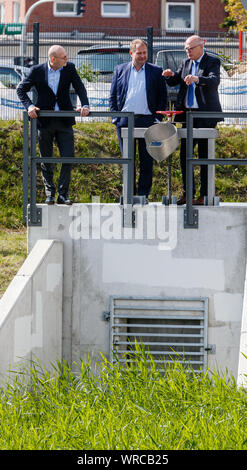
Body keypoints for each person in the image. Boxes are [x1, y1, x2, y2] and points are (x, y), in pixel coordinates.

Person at [17, 44, 90, 205]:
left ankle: (63, 194)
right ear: (53, 59)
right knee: (45, 158)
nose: (67, 59)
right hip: (44, 121)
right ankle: (49, 193)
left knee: (68, 157)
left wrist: (85, 104)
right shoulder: (37, 70)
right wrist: (29, 106)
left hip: (64, 120)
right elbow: (21, 89)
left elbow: (79, 86)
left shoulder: (69, 68)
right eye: (64, 57)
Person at [162, 35, 222, 205]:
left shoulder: (212, 62)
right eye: (186, 49)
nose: (188, 52)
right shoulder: (185, 63)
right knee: (185, 156)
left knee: (204, 156)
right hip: (187, 116)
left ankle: (204, 195)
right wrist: (169, 75)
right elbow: (177, 81)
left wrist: (197, 79)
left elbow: (214, 81)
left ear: (201, 45)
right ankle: (188, 193)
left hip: (205, 116)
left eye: (190, 48)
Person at [109, 39, 167, 200]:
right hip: (125, 121)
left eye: (144, 53)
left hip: (148, 121)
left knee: (146, 160)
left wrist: (157, 118)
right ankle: (129, 194)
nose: (142, 56)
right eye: (139, 53)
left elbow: (163, 96)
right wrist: (115, 117)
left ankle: (143, 195)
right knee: (128, 161)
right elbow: (113, 96)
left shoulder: (156, 71)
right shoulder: (120, 70)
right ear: (131, 53)